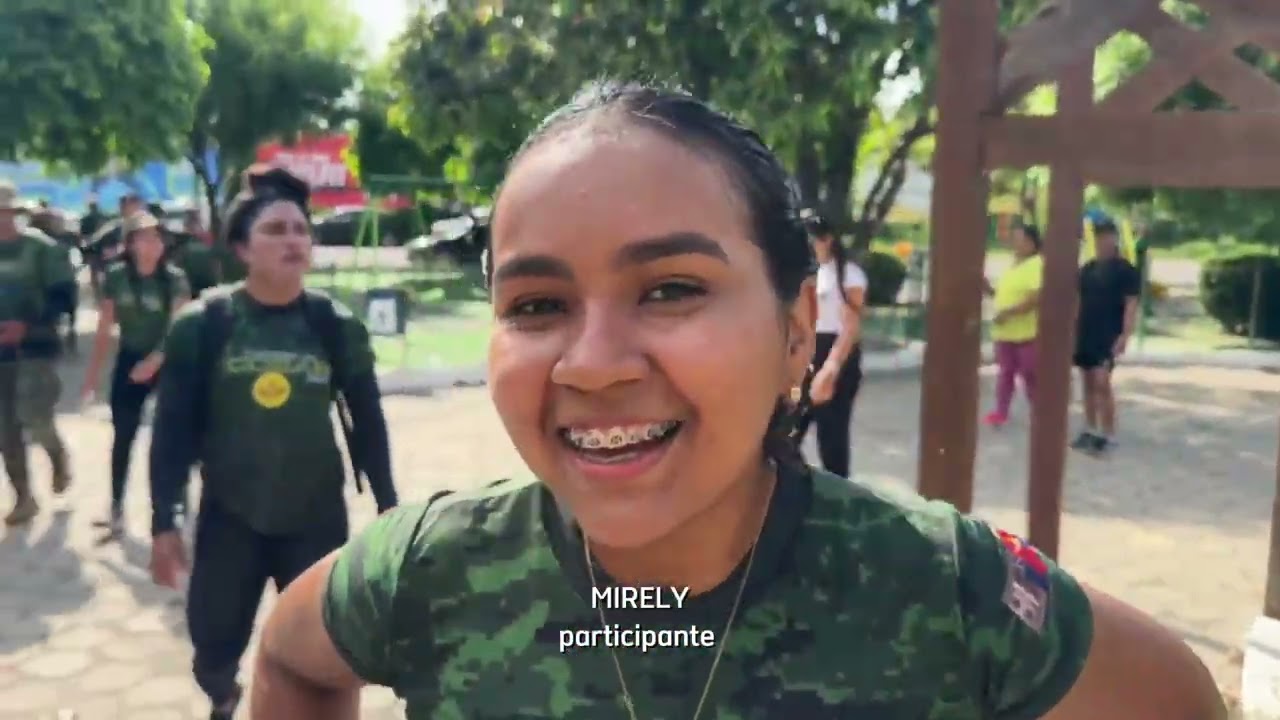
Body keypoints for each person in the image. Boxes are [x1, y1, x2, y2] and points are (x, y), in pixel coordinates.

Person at [247, 81, 1224, 719]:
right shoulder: (427, 570)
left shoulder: (938, 587)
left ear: (797, 325)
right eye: (537, 304)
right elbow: (291, 663)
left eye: (670, 288)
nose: (591, 363)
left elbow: (1175, 698)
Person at [146, 166, 398, 720]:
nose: (293, 240)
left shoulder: (335, 324)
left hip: (315, 516)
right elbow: (172, 431)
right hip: (229, 516)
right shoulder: (203, 324)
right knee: (210, 648)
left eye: (301, 231)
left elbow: (367, 419)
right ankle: (224, 694)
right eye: (276, 230)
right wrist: (164, 520)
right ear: (242, 247)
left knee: (324, 652)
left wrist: (388, 508)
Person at [80, 211, 190, 541]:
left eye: (157, 237)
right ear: (129, 243)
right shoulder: (116, 276)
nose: (152, 244)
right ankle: (115, 509)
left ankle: (176, 508)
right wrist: (92, 376)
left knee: (171, 438)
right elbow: (105, 327)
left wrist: (155, 362)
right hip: (129, 360)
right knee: (123, 436)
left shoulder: (174, 278)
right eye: (143, 238)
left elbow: (179, 326)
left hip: (168, 362)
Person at [0, 181, 77, 526]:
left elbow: (64, 296)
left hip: (36, 347)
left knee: (34, 415)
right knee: (4, 428)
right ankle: (23, 497)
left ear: (14, 213)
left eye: (4, 212)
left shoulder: (42, 249)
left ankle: (58, 457)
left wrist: (28, 325)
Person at [793, 213, 865, 477]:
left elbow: (850, 326)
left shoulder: (849, 274)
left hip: (835, 351)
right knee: (787, 431)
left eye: (813, 239)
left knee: (832, 437)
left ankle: (838, 498)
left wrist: (832, 367)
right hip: (806, 350)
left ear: (827, 240)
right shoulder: (805, 273)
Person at [1070, 218, 1140, 455]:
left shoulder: (1126, 270)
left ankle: (1109, 434)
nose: (1104, 241)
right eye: (1099, 236)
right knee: (1087, 382)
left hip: (1107, 333)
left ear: (1115, 238)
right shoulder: (1087, 270)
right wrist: (1072, 330)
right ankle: (1090, 429)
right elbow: (1077, 303)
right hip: (1085, 332)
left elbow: (1131, 304)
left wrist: (1125, 335)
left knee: (1102, 383)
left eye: (1108, 236)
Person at [983, 223, 1044, 427]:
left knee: (1030, 372)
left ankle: (1040, 413)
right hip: (1005, 331)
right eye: (1014, 239)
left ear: (1031, 242)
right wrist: (988, 289)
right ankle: (1000, 412)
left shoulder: (1037, 264)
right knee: (1005, 373)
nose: (1014, 243)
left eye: (1019, 239)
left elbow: (1035, 298)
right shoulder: (1012, 265)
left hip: (1027, 331)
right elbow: (1003, 294)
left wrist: (1009, 313)